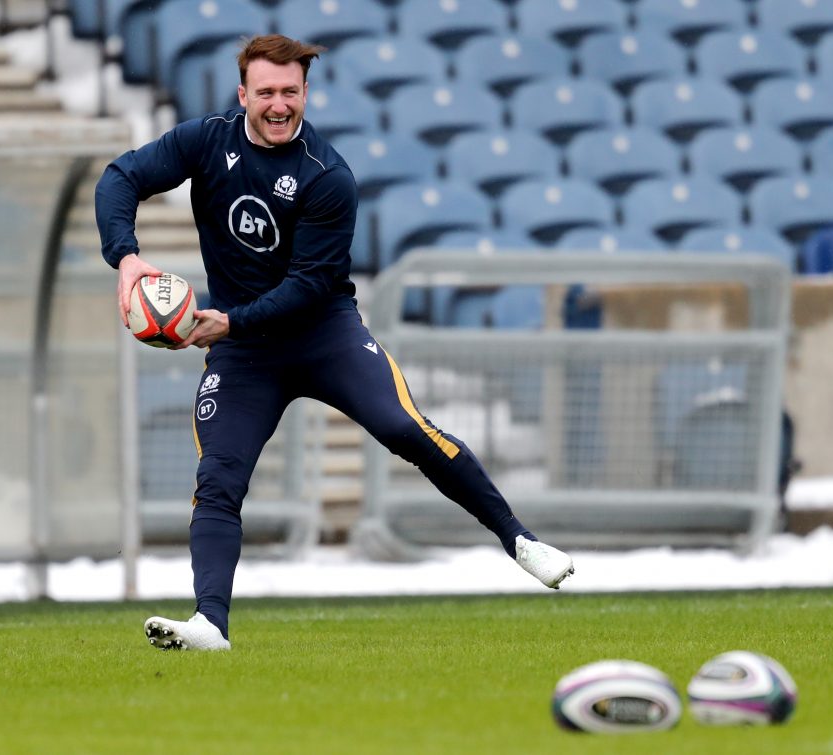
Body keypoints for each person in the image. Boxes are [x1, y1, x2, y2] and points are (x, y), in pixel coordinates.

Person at [95, 34, 573, 652]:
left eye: (289, 92)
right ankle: (210, 623)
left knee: (406, 430)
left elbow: (308, 286)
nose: (277, 104)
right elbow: (121, 177)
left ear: (304, 94)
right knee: (218, 478)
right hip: (245, 354)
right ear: (243, 94)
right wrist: (127, 259)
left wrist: (229, 322)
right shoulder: (206, 140)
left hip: (324, 334)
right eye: (265, 92)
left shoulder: (328, 176)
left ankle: (519, 540)